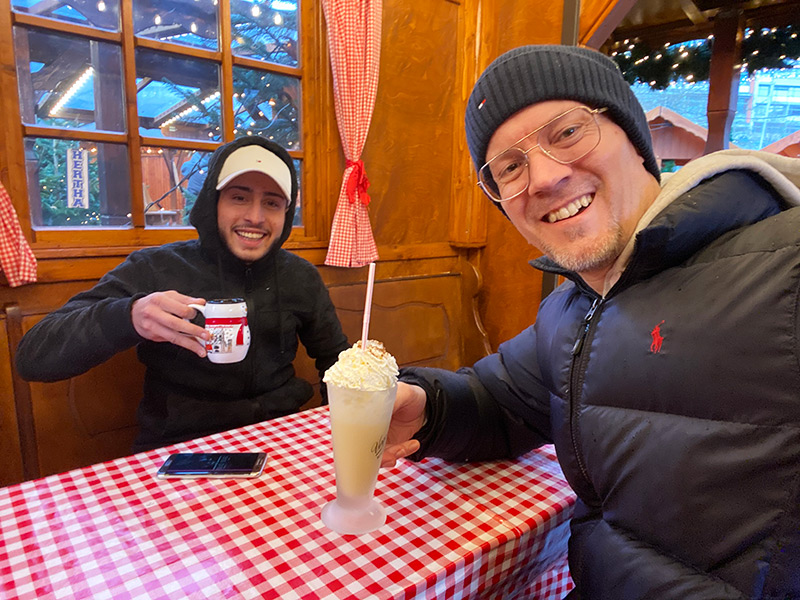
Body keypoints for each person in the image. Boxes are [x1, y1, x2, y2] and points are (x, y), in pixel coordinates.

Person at [381, 45, 800, 598]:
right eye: (510, 167)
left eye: (568, 132)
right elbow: (501, 402)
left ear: (635, 141)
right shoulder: (572, 309)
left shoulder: (785, 266)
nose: (544, 178)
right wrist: (427, 407)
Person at [16, 137, 349, 452]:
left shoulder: (301, 276)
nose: (255, 217)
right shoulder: (155, 267)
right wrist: (129, 316)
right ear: (212, 203)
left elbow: (338, 363)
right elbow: (33, 357)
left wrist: (340, 432)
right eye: (239, 197)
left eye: (272, 203)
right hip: (180, 447)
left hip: (279, 436)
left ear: (286, 215)